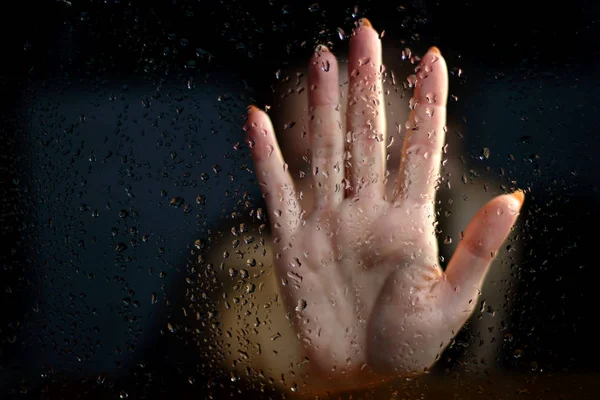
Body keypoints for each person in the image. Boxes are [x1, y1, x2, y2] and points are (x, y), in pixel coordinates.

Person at [208, 18, 524, 396]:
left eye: (389, 163)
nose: (355, 201)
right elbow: (241, 346)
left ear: (445, 157)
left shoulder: (497, 228)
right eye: (315, 170)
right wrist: (346, 367)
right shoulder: (237, 259)